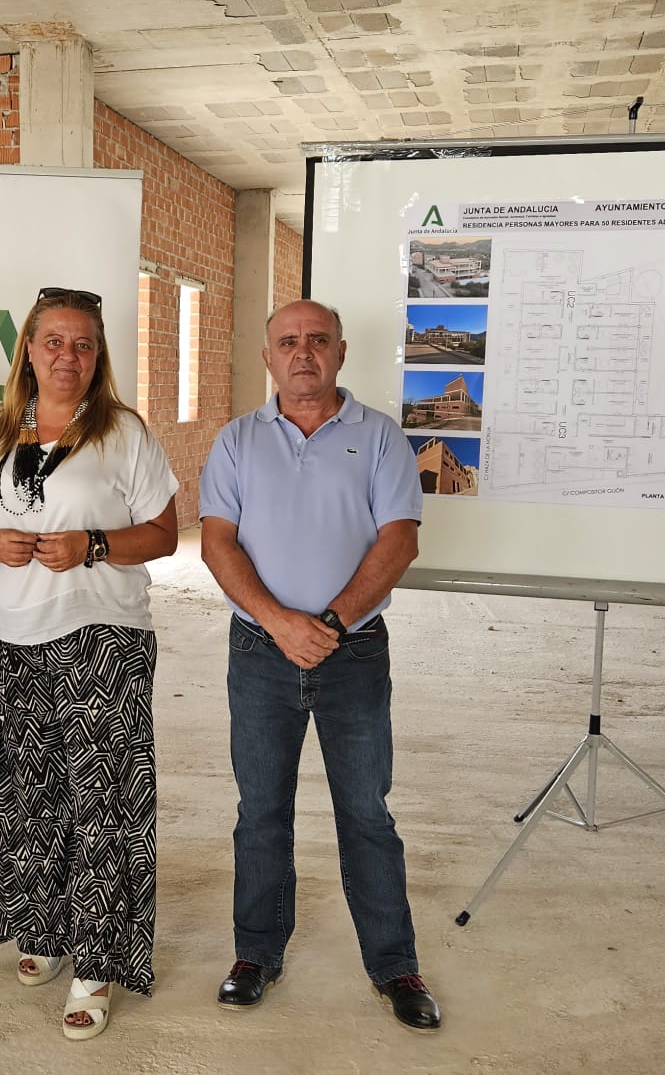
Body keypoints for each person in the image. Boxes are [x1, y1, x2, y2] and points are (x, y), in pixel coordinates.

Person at [198, 299, 441, 1033]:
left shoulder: (381, 439)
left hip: (354, 655)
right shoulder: (238, 441)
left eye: (317, 341)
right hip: (259, 654)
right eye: (287, 342)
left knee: (367, 813)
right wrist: (280, 623)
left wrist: (328, 625)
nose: (303, 353)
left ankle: (396, 965)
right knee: (260, 812)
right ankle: (256, 954)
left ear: (340, 353)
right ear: (268, 358)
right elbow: (216, 544)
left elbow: (398, 541)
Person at [0, 287, 179, 1041]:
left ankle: (97, 960)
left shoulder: (124, 433)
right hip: (11, 636)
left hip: (99, 636)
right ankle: (47, 931)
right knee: (34, 798)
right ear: (28, 350)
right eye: (54, 342)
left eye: (83, 345)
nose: (68, 357)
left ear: (99, 355)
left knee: (100, 806)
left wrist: (96, 545)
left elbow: (167, 533)